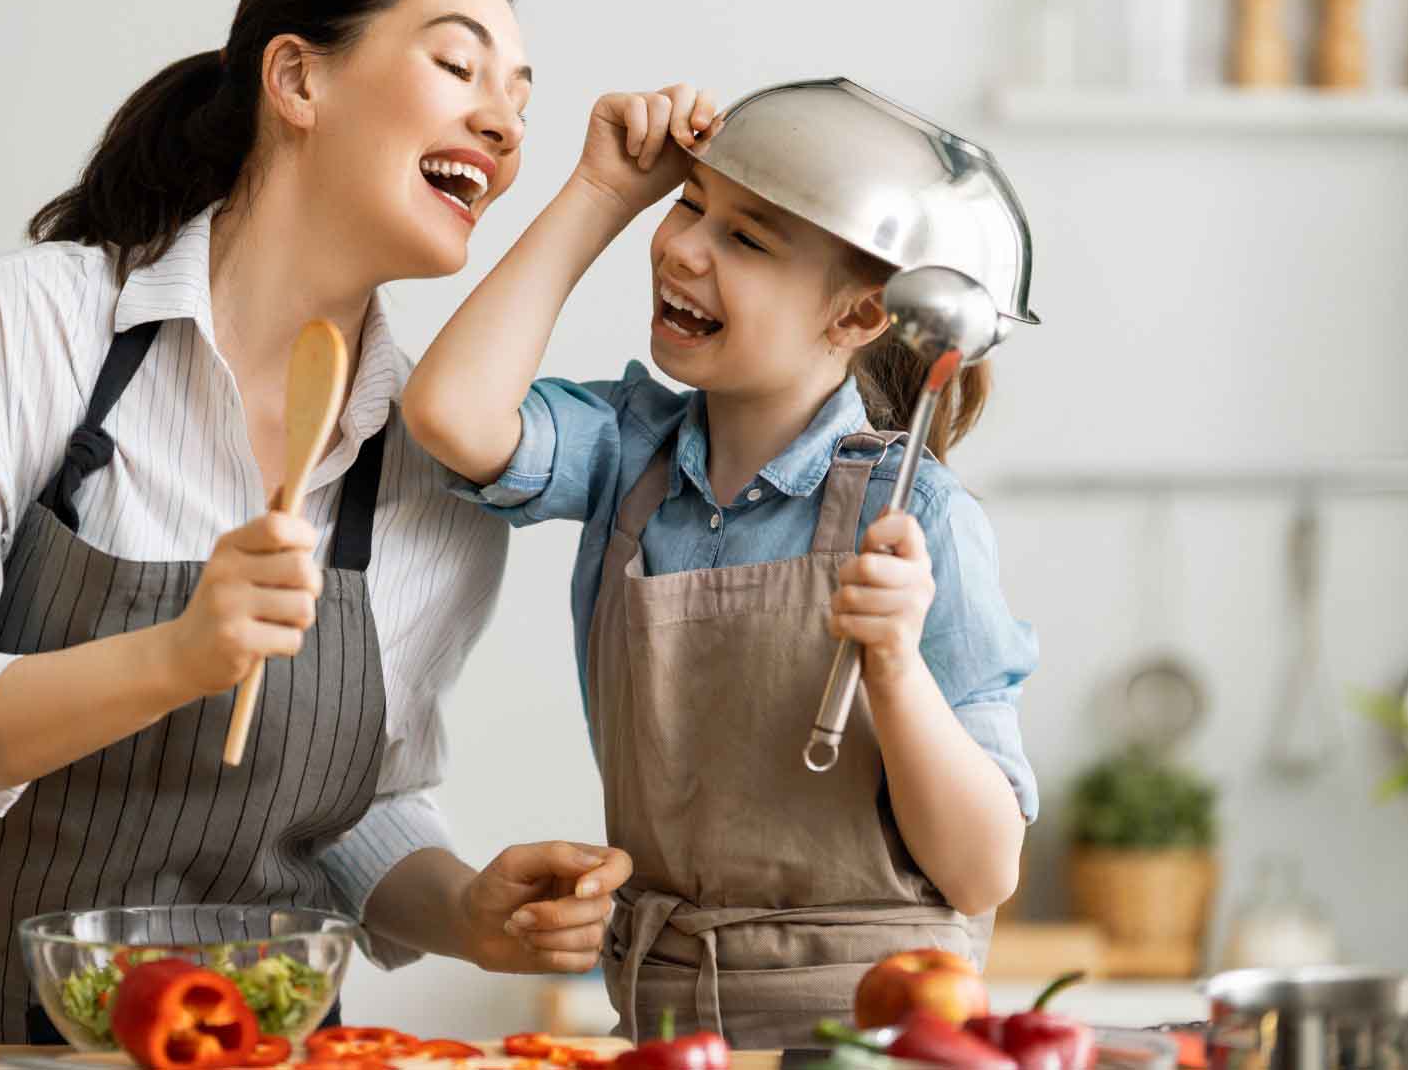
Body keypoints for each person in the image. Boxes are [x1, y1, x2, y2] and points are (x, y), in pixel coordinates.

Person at [0, 0, 630, 1044]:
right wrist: (173, 656)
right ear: (296, 79)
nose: (501, 121)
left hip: (260, 1045)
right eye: (457, 64)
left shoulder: (433, 469)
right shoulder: (23, 326)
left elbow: (354, 805)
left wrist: (468, 913)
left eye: (522, 100)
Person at [402, 81, 1040, 1047]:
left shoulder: (919, 517)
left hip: (879, 1041)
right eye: (690, 203)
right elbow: (450, 416)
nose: (684, 247)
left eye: (747, 239)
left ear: (862, 316)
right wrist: (600, 194)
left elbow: (984, 871)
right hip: (664, 1028)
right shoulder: (626, 452)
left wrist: (896, 667)